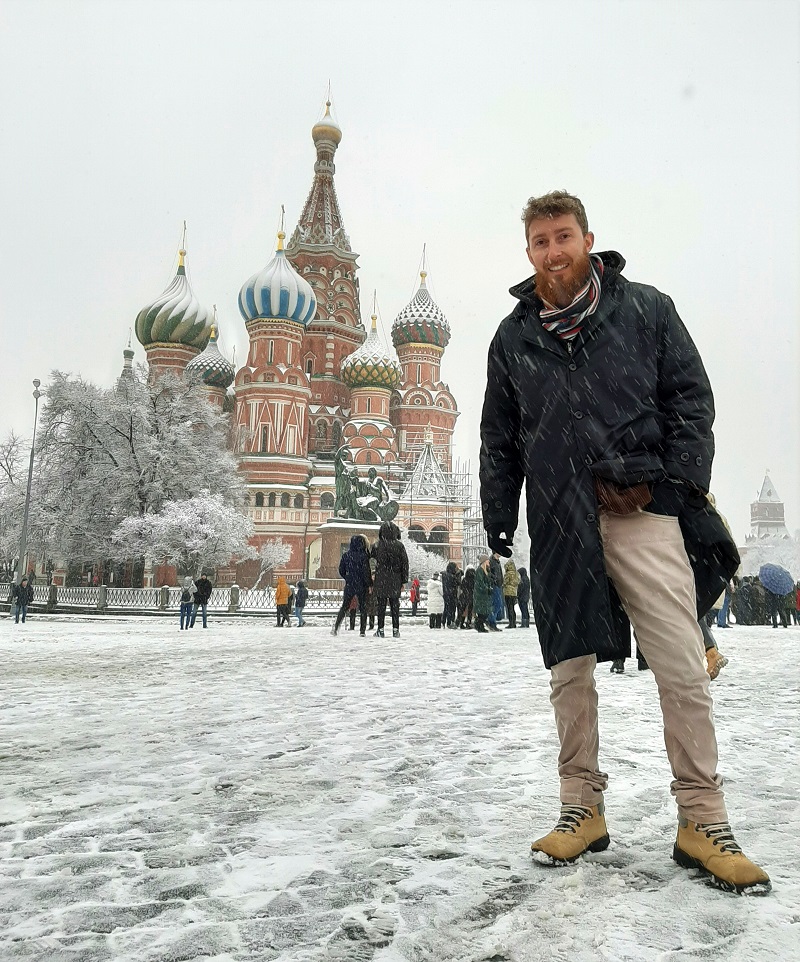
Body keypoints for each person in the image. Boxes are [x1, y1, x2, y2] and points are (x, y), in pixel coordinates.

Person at [479, 190, 768, 893]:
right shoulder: (514, 336)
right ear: (529, 253)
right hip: (556, 518)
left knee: (680, 661)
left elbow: (690, 400)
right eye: (541, 240)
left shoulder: (645, 310)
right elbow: (499, 434)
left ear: (588, 239)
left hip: (639, 507)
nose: (554, 250)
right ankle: (582, 808)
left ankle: (702, 818)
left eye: (564, 236)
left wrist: (673, 483)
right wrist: (497, 514)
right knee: (568, 671)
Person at [372, 522, 409, 637]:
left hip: (381, 579)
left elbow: (372, 560)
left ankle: (381, 630)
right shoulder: (399, 546)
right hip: (395, 579)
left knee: (381, 606)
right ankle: (395, 630)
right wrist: (404, 580)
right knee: (395, 606)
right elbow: (405, 564)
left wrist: (373, 574)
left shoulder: (377, 545)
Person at [332, 535, 372, 636]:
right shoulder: (364, 556)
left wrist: (347, 577)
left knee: (345, 606)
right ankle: (362, 631)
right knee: (363, 607)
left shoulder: (346, 555)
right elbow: (367, 572)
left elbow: (341, 570)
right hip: (362, 585)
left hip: (350, 584)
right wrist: (369, 584)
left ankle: (336, 627)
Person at [473, 555, 493, 633]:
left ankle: (479, 625)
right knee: (483, 612)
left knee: (484, 612)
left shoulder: (485, 570)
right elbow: (480, 583)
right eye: (487, 560)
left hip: (484, 594)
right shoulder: (480, 570)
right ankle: (479, 625)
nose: (489, 562)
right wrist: (487, 588)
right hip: (481, 594)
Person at [442, 561, 460, 628]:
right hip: (452, 594)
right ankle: (449, 623)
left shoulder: (445, 575)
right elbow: (458, 583)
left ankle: (443, 621)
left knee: (446, 608)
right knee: (451, 609)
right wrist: (458, 574)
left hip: (446, 594)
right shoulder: (452, 576)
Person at [489, 552, 505, 626]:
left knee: (498, 604)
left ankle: (492, 621)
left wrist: (501, 581)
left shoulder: (497, 561)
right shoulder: (491, 561)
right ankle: (491, 621)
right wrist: (494, 579)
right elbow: (489, 573)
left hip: (498, 585)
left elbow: (500, 573)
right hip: (494, 585)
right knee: (497, 604)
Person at [503, 559, 520, 628]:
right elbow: (518, 582)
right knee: (512, 608)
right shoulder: (516, 573)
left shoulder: (508, 574)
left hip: (508, 592)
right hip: (514, 592)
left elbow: (505, 582)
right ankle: (514, 623)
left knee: (509, 608)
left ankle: (511, 623)